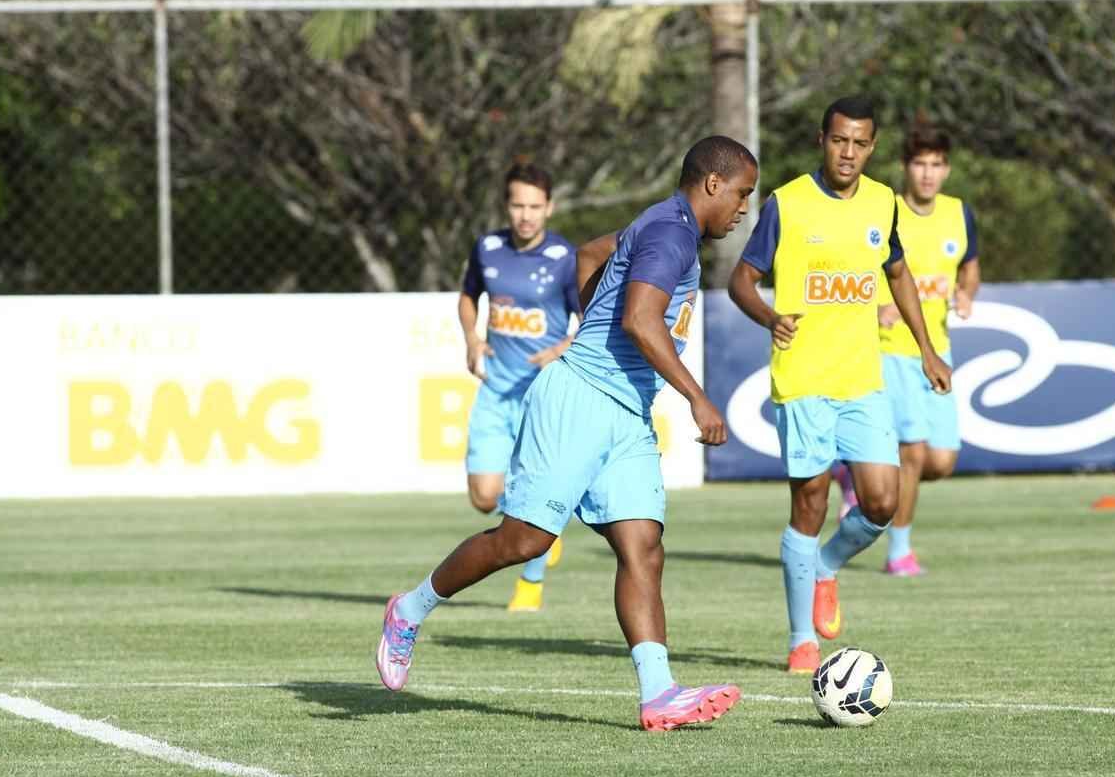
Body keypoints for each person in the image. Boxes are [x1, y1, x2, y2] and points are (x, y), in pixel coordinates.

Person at [378, 136, 758, 731]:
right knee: (523, 542)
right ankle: (410, 608)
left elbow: (586, 256)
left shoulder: (660, 222)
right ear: (713, 183)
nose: (742, 208)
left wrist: (595, 322)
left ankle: (658, 693)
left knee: (643, 548)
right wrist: (697, 397)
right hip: (579, 401)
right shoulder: (672, 233)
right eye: (741, 193)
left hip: (627, 410)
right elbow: (638, 319)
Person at [727, 96, 951, 674]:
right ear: (821, 139)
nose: (847, 153)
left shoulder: (883, 203)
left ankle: (826, 565)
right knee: (810, 502)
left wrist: (926, 349)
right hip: (802, 380)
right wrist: (769, 317)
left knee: (882, 500)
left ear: (872, 147)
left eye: (859, 143)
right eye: (838, 140)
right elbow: (741, 280)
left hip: (861, 379)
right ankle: (802, 638)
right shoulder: (788, 203)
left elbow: (897, 273)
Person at [840, 120, 980, 577]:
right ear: (905, 167)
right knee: (913, 453)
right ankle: (899, 551)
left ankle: (850, 475)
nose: (927, 173)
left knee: (940, 462)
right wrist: (876, 304)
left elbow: (970, 263)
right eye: (920, 163)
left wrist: (966, 291)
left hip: (937, 352)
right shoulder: (885, 209)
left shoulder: (960, 214)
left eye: (936, 165)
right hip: (891, 352)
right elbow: (856, 264)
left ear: (947, 170)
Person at [459, 162, 580, 611]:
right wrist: (472, 338)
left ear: (549, 207)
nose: (526, 215)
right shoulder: (488, 249)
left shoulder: (565, 258)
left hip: (541, 398)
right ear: (506, 206)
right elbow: (469, 296)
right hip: (496, 390)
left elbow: (587, 319)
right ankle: (546, 527)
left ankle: (529, 585)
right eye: (518, 205)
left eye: (535, 206)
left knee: (531, 496)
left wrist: (561, 348)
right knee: (484, 497)